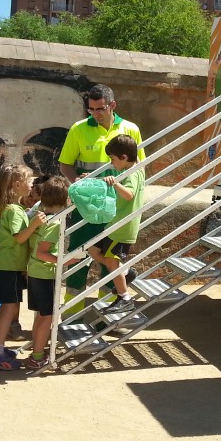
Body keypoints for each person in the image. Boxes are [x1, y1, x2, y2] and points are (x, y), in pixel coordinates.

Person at [57, 84, 144, 305]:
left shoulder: (131, 129)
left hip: (116, 209)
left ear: (112, 105)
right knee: (79, 255)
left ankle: (105, 315)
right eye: (91, 109)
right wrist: (78, 183)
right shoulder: (78, 129)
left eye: (100, 109)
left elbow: (139, 166)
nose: (95, 114)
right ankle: (72, 315)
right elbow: (65, 164)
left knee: (109, 260)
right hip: (86, 207)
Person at [0, 164, 45, 370]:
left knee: (6, 306)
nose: (32, 185)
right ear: (18, 185)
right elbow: (19, 238)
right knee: (9, 307)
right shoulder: (14, 210)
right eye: (29, 181)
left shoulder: (14, 209)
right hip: (8, 265)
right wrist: (34, 224)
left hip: (7, 264)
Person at [87, 135, 145, 312]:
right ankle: (125, 272)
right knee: (93, 251)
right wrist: (93, 180)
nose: (111, 163)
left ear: (124, 157)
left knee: (112, 264)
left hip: (121, 228)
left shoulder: (133, 173)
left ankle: (125, 298)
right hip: (114, 224)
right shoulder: (132, 168)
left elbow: (129, 194)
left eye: (112, 159)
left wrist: (115, 183)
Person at [25, 176, 74, 371]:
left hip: (36, 272)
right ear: (64, 199)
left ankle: (37, 352)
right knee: (47, 317)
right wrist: (64, 260)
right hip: (44, 274)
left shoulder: (43, 216)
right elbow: (42, 252)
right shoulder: (55, 223)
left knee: (42, 316)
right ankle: (37, 356)